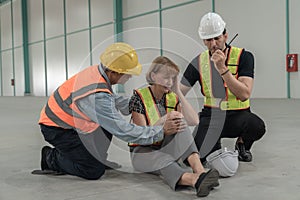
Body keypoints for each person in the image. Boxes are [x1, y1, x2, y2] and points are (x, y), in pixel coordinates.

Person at [32, 42, 186, 180]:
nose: (130, 77)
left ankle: (96, 157)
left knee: (104, 125)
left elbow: (112, 100)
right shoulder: (97, 96)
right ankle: (51, 158)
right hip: (57, 128)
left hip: (74, 122)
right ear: (114, 72)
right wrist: (160, 132)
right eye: (128, 73)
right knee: (92, 170)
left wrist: (141, 99)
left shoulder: (99, 73)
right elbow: (123, 130)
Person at [180, 12, 266, 163]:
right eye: (208, 39)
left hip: (238, 115)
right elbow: (180, 91)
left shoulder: (244, 57)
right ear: (203, 41)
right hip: (211, 116)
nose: (213, 44)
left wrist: (222, 69)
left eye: (217, 38)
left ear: (225, 36)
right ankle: (213, 142)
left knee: (256, 126)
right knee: (195, 159)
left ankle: (242, 145)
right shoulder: (198, 62)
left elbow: (245, 93)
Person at [129, 56, 219, 197]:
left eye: (173, 78)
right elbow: (141, 136)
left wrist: (178, 91)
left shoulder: (172, 97)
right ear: (153, 76)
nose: (170, 82)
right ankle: (195, 180)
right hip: (142, 153)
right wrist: (163, 120)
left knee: (180, 121)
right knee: (163, 160)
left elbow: (194, 121)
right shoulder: (138, 98)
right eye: (166, 77)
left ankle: (200, 171)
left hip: (164, 147)